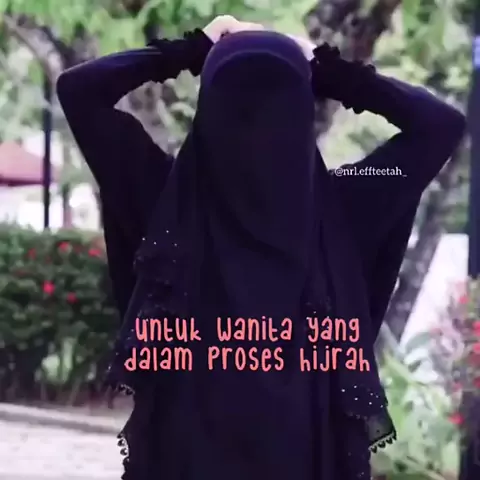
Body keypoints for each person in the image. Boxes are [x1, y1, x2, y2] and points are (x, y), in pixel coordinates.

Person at [57, 15, 465, 480]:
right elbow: (439, 125)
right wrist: (326, 68)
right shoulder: (351, 202)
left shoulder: (162, 197)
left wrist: (193, 48)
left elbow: (80, 90)